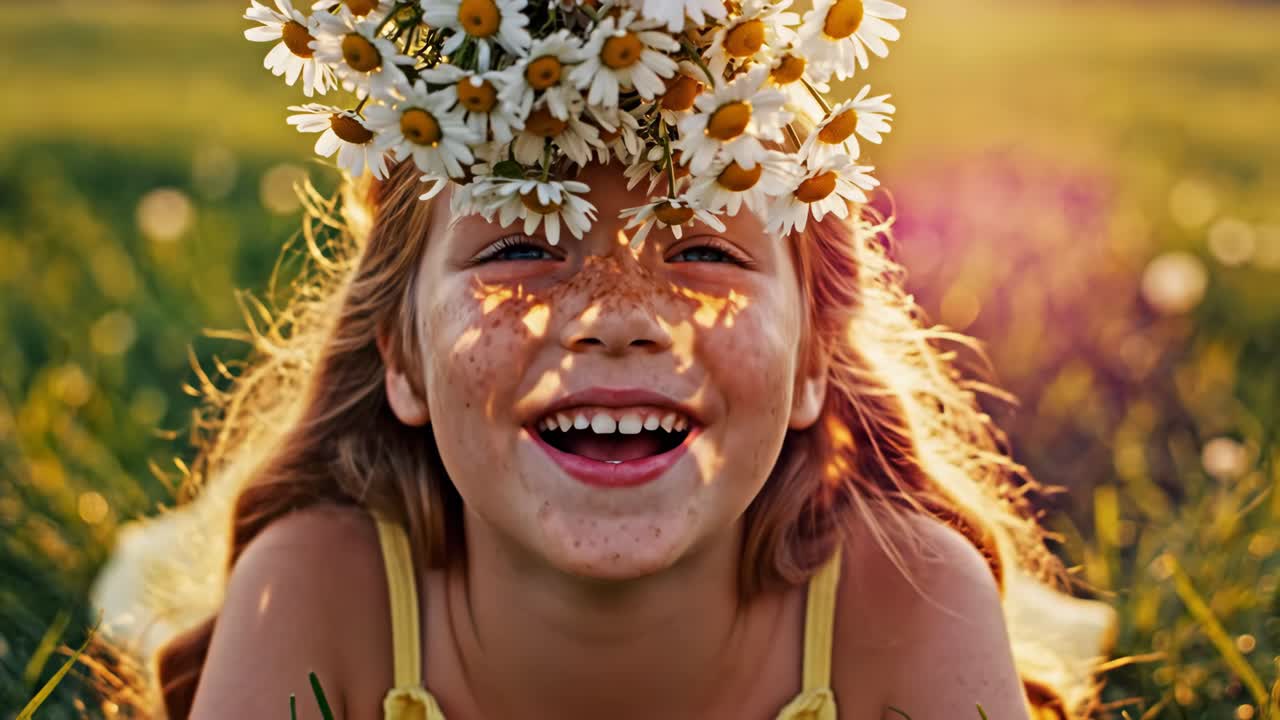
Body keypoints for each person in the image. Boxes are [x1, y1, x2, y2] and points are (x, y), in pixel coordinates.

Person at [91, 0, 1118, 717]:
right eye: (521, 248)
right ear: (400, 353)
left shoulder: (904, 602)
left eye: (706, 251)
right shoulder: (322, 596)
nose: (619, 319)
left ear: (812, 358)